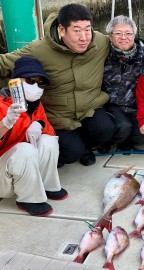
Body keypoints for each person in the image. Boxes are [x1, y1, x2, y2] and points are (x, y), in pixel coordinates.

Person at [0, 3, 114, 167]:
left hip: (89, 108)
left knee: (106, 129)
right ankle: (72, 150)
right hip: (57, 116)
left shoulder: (101, 43)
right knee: (71, 152)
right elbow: (4, 63)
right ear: (62, 30)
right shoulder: (39, 49)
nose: (84, 37)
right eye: (76, 30)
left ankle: (86, 147)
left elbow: (125, 44)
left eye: (87, 29)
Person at [0, 56, 68, 216]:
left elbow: (50, 133)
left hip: (18, 171)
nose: (36, 86)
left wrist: (39, 124)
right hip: (3, 174)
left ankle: (47, 186)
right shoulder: (2, 104)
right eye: (30, 80)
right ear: (15, 81)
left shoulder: (35, 105)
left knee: (48, 141)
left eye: (41, 83)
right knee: (24, 149)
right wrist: (6, 122)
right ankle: (29, 199)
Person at [97, 15, 144, 154]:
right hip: (110, 105)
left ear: (134, 34)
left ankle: (125, 140)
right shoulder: (101, 54)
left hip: (136, 105)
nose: (124, 37)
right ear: (109, 36)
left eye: (128, 33)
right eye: (118, 33)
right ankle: (107, 141)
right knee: (123, 126)